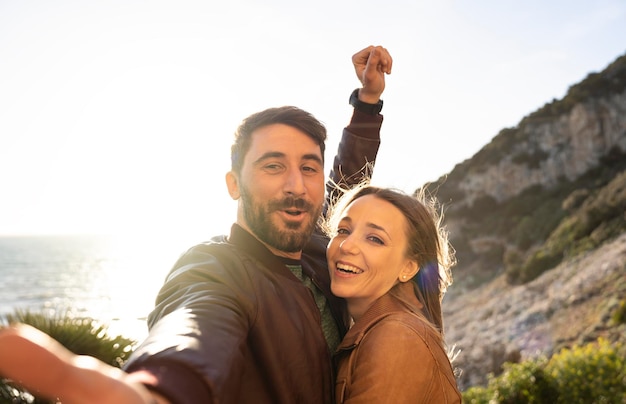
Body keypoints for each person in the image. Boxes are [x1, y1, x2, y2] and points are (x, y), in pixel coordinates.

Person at [0, 45, 393, 404]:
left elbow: (348, 183)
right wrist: (154, 392)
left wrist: (368, 102)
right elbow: (194, 328)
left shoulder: (316, 246)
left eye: (309, 168)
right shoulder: (217, 269)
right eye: (273, 166)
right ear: (234, 184)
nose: (296, 185)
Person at [324, 184, 462, 403]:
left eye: (375, 239)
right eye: (343, 231)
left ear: (408, 268)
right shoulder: (381, 329)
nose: (347, 246)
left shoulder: (396, 336)